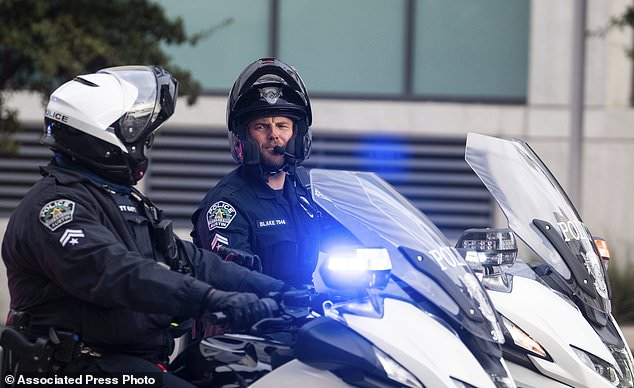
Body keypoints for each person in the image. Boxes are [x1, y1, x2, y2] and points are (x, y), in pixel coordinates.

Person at [1, 66, 285, 386]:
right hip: (76, 371)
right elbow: (119, 273)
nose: (144, 141)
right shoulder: (55, 208)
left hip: (131, 363)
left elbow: (188, 259)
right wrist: (212, 300)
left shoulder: (122, 199)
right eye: (135, 131)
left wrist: (272, 288)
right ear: (100, 136)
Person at [191, 58, 321, 287]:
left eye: (282, 125)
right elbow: (233, 280)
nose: (274, 135)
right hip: (257, 319)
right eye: (261, 127)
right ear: (244, 137)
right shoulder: (226, 205)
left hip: (312, 316)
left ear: (297, 135)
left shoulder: (309, 192)